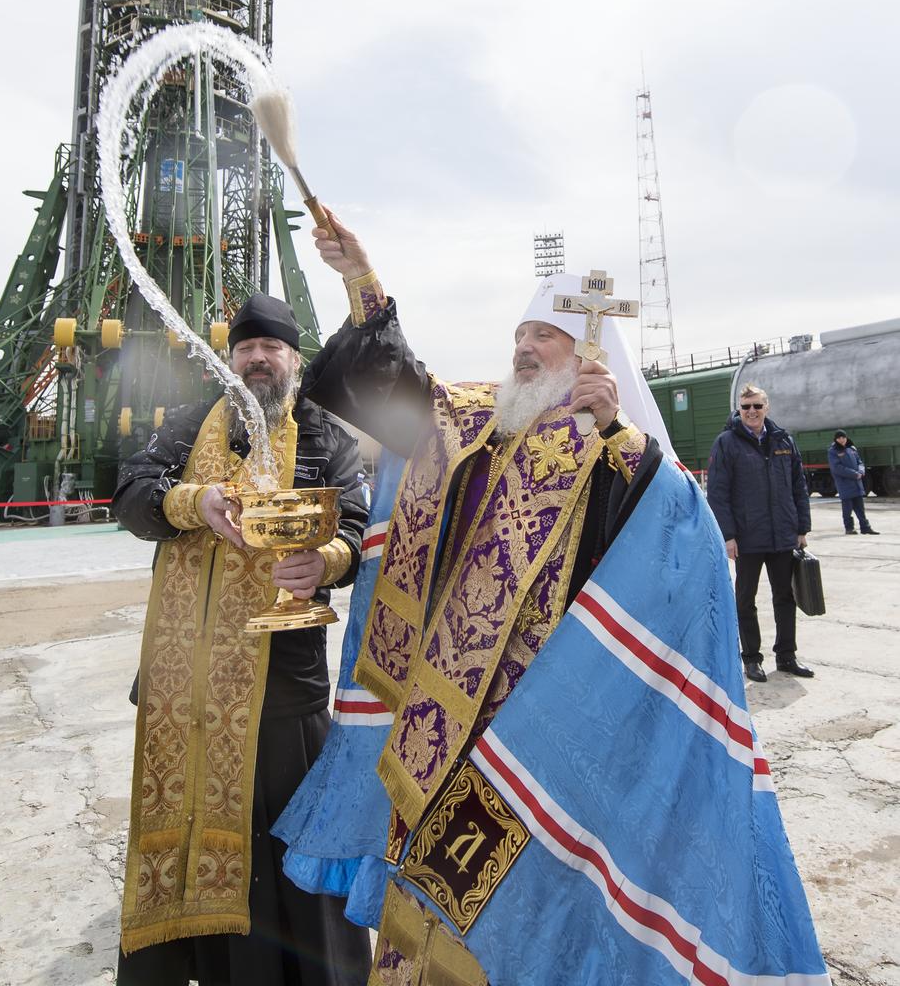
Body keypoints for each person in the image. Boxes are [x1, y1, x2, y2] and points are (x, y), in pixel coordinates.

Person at [277, 214, 827, 986]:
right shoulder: (475, 419)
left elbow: (680, 549)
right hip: (438, 721)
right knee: (422, 908)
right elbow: (397, 390)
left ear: (591, 354)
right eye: (520, 334)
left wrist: (617, 437)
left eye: (545, 336)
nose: (524, 348)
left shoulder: (621, 451)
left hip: (534, 733)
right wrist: (360, 279)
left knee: (511, 914)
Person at [112, 292, 372, 986]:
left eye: (272, 348)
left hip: (283, 683)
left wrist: (326, 562)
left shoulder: (326, 438)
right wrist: (192, 501)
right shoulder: (191, 426)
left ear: (294, 359)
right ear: (230, 361)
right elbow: (131, 494)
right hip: (187, 684)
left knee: (288, 849)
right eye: (245, 349)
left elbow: (356, 526)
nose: (258, 359)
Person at [706, 383, 814, 683]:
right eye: (746, 407)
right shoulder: (727, 443)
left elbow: (798, 487)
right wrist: (728, 536)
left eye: (757, 406)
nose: (751, 412)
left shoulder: (783, 441)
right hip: (748, 538)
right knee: (745, 600)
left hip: (782, 535)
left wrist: (801, 528)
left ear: (766, 407)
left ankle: (787, 655)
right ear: (739, 410)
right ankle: (752, 659)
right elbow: (717, 493)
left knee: (785, 596)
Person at [828, 430, 879, 535]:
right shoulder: (833, 451)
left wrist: (861, 471)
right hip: (845, 484)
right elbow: (837, 468)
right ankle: (849, 528)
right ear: (836, 439)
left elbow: (860, 462)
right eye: (839, 438)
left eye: (843, 437)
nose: (842, 440)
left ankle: (865, 527)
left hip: (856, 483)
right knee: (847, 509)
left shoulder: (851, 449)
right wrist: (854, 474)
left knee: (860, 508)